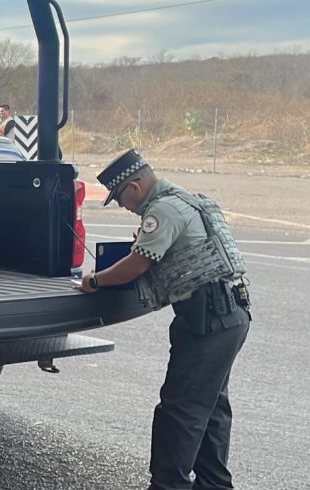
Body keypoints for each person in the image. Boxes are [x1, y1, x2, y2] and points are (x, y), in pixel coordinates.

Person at [76, 149, 251, 490]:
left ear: (135, 187)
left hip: (208, 321)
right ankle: (214, 484)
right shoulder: (187, 199)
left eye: (121, 198)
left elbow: (137, 265)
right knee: (211, 408)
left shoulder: (163, 210)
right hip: (229, 315)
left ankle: (168, 485)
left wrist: (94, 281)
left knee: (180, 412)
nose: (124, 206)